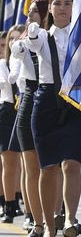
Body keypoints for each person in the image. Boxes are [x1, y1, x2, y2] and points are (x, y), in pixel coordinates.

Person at [25, 0, 81, 236]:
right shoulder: (42, 36)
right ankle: (49, 226)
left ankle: (71, 219)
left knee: (72, 164)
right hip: (47, 104)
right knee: (48, 167)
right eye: (57, 4)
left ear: (74, 8)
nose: (62, 8)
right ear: (50, 9)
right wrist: (32, 24)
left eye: (67, 4)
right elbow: (32, 42)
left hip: (75, 102)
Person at [11, 0, 49, 236]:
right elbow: (17, 54)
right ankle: (35, 220)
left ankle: (57, 215)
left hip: (51, 100)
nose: (30, 14)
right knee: (31, 168)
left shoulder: (54, 38)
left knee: (52, 167)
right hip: (29, 99)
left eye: (35, 10)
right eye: (29, 11)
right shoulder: (24, 41)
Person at [0, 25, 24, 224]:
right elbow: (6, 83)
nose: (15, 42)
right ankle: (9, 204)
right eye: (12, 39)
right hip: (8, 110)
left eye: (19, 39)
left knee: (26, 163)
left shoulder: (28, 62)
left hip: (25, 108)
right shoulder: (3, 64)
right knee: (9, 162)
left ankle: (22, 201)